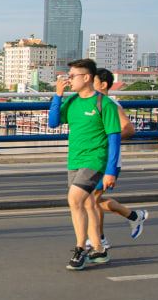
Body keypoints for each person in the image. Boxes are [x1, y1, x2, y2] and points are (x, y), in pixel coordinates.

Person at [49, 58, 123, 271]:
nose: (68, 80)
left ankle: (81, 247)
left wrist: (110, 171)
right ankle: (99, 249)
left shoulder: (104, 104)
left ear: (87, 77)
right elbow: (53, 122)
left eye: (72, 76)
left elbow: (114, 139)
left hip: (95, 159)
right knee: (88, 204)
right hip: (75, 160)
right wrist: (58, 95)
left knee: (74, 200)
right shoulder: (72, 102)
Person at [87, 68, 149, 264]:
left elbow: (128, 128)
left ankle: (101, 240)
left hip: (107, 162)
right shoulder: (96, 103)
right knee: (92, 200)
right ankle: (132, 216)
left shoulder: (110, 104)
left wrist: (104, 141)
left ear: (103, 85)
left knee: (90, 200)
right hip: (96, 160)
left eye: (92, 81)